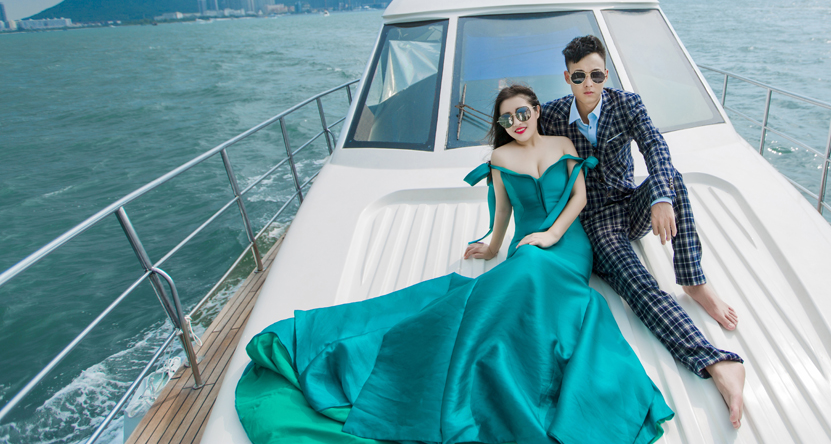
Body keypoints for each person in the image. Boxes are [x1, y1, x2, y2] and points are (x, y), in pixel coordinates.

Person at [235, 84, 673, 444]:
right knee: (518, 274)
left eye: (522, 113)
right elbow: (503, 212)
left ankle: (497, 355)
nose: (517, 123)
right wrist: (492, 246)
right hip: (527, 245)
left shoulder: (563, 144)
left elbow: (578, 198)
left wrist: (552, 235)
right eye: (507, 119)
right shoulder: (501, 158)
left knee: (529, 274)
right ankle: (471, 361)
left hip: (569, 245)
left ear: (537, 111)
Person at [539, 35, 746, 429]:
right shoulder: (551, 115)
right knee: (640, 286)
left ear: (606, 74)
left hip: (629, 202)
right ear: (567, 78)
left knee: (671, 179)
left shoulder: (626, 104)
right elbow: (519, 133)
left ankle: (693, 281)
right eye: (579, 76)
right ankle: (715, 362)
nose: (588, 84)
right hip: (596, 221)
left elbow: (655, 146)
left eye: (596, 75)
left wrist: (661, 197)